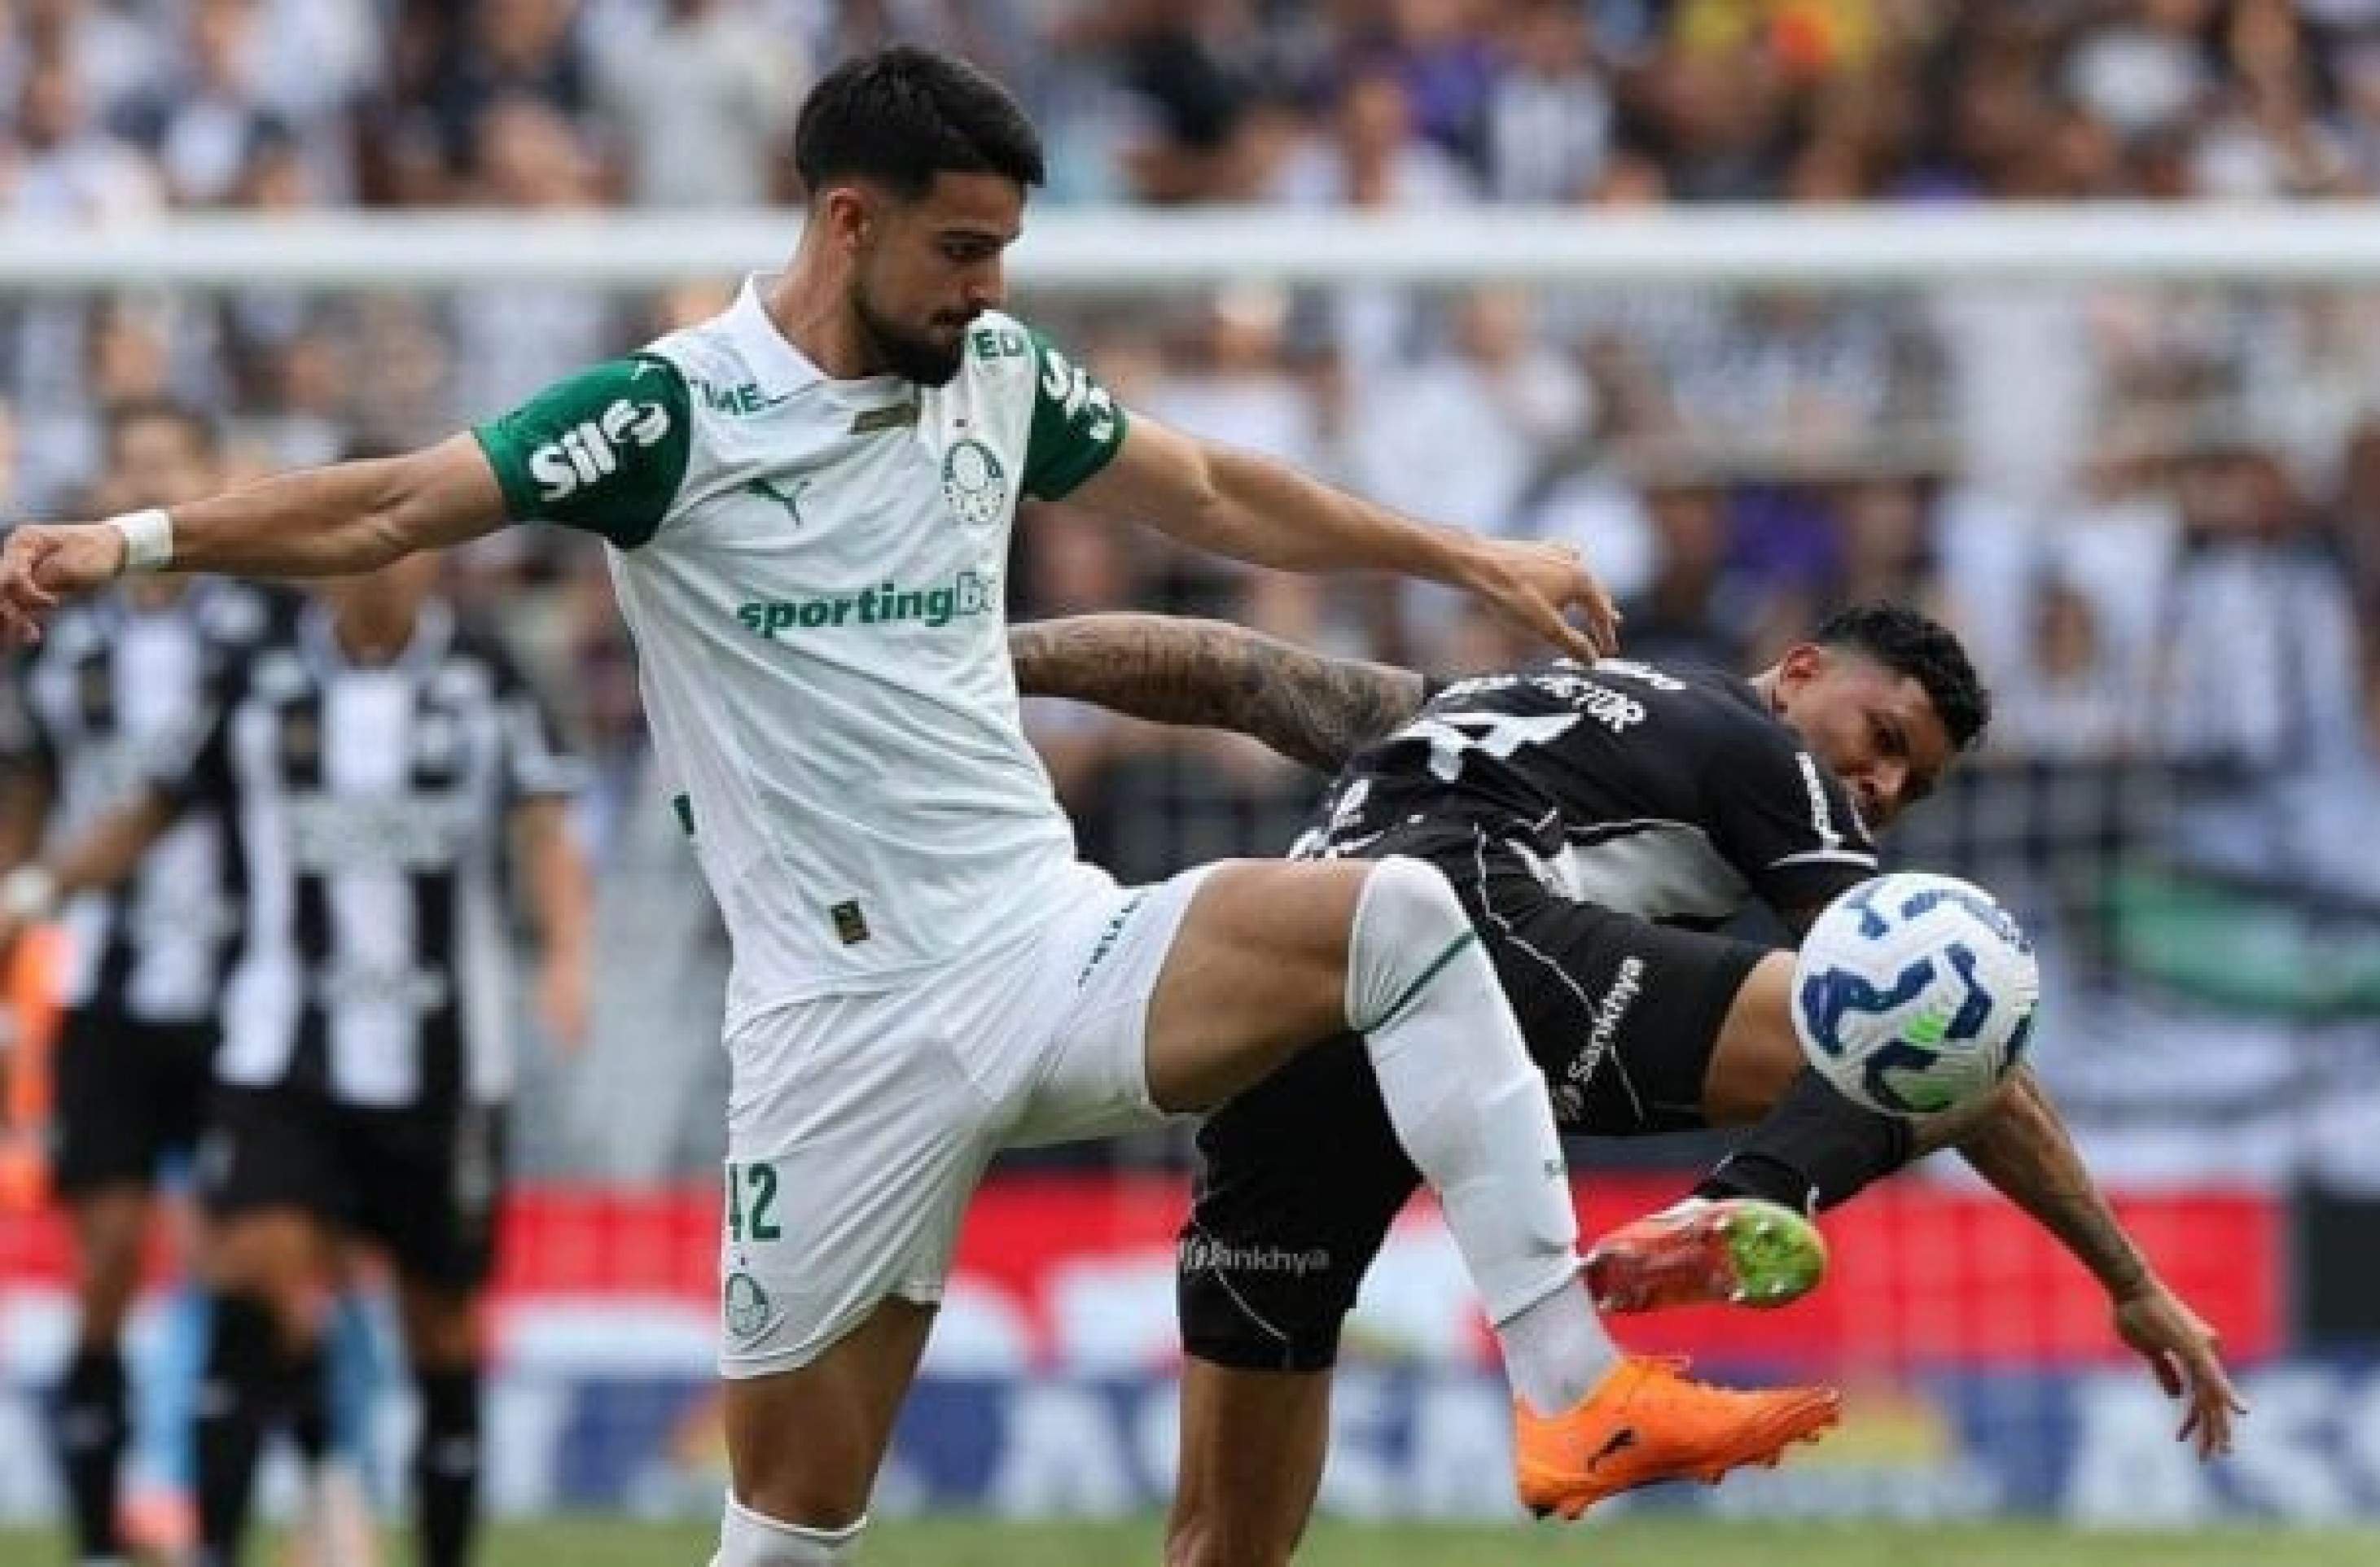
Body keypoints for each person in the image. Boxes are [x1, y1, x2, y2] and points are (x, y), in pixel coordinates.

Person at [0, 46, 1843, 1564]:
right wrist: (133, 541)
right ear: (843, 218)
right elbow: (392, 504)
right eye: (961, 251)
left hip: (1042, 944)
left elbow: (1205, 486)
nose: (988, 291)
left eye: (1006, 254)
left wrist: (1462, 556)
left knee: (1396, 920)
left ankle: (1570, 1388)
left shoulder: (993, 375)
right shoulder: (670, 418)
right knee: (790, 1533)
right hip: (836, 1030)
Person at [1006, 605, 2249, 1566]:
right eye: (1884, 742)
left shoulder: (1498, 696)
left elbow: (1234, 672)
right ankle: (1733, 1208)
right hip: (1471, 934)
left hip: (1286, 1024)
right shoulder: (1767, 750)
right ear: (1802, 667)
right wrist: (2127, 1279)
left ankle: (1711, 1224)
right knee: (1939, 1021)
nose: (1878, 789)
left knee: (1223, 1544)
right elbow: (1937, 1052)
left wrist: (982, 656)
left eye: (1909, 787)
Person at [0, 549, 592, 1567]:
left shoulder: (484, 676)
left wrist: (570, 952)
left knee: (441, 1328)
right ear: (327, 567)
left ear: (437, 566)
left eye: (406, 554)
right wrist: (34, 892)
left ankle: (423, 1540)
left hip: (449, 1064)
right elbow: (150, 806)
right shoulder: (259, 681)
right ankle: (225, 1540)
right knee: (247, 1273)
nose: (379, 576)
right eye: (361, 552)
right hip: (282, 1047)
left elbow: (544, 824)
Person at [0, 401, 283, 1567]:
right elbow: (25, 784)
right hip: (106, 990)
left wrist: (35, 889)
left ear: (204, 478)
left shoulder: (258, 631)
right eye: (130, 465)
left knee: (241, 1267)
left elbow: (181, 800)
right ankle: (101, 1538)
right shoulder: (63, 644)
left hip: (240, 985)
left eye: (168, 466)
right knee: (108, 1259)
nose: (145, 480)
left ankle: (227, 1528)